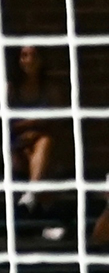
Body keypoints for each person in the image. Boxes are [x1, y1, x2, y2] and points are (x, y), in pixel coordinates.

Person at [6, 45, 56, 203]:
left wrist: (35, 130)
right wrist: (30, 124)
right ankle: (36, 202)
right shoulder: (11, 89)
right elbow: (6, 123)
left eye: (33, 55)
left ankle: (31, 195)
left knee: (45, 142)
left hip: (40, 138)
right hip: (15, 140)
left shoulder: (49, 90)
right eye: (24, 55)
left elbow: (55, 121)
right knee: (30, 155)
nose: (29, 60)